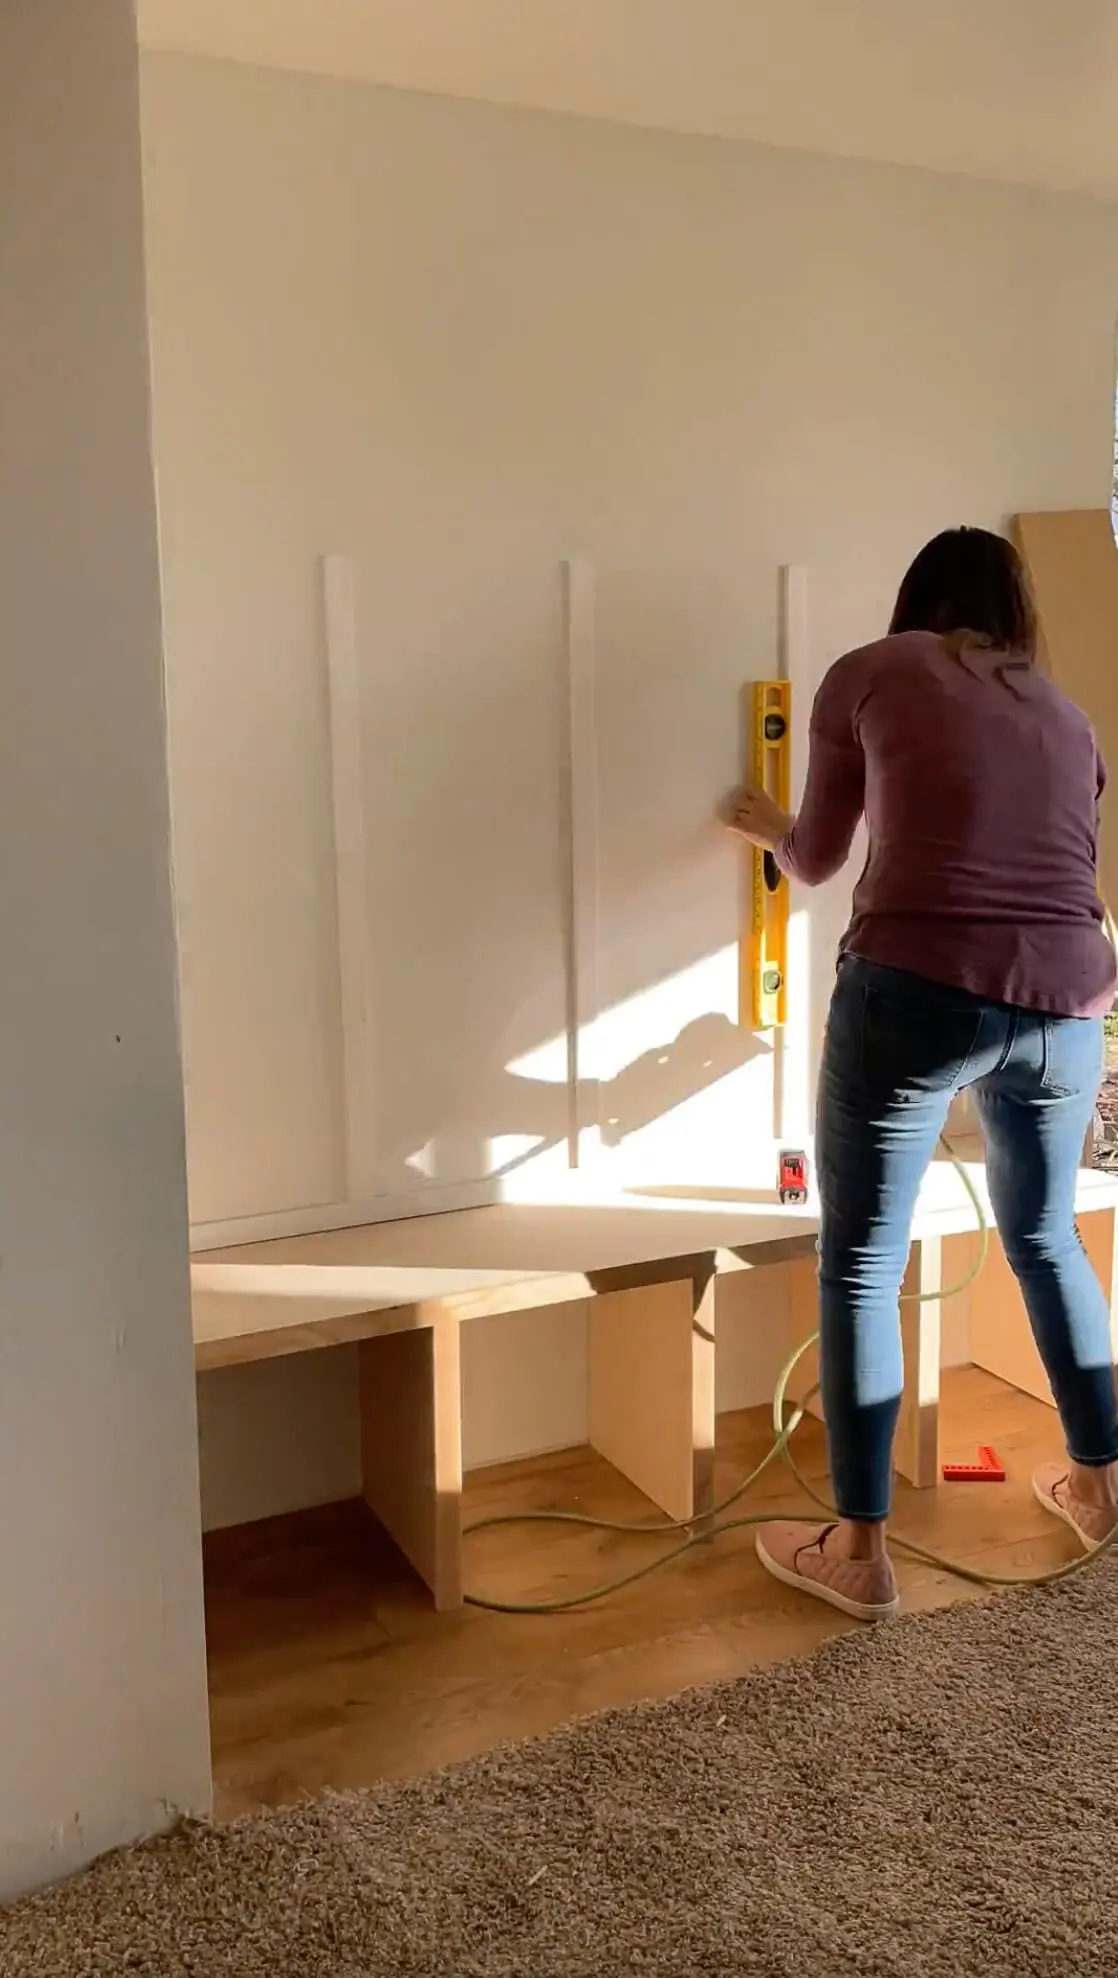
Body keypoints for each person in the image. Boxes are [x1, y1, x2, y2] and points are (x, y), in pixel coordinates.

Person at [726, 526, 1118, 1621]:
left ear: (915, 599)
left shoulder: (870, 671)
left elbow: (811, 857)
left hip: (915, 987)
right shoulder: (1066, 714)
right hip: (1070, 1004)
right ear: (1013, 613)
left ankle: (857, 1555)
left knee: (859, 1261)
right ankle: (1100, 1481)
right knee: (1041, 1239)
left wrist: (758, 824)